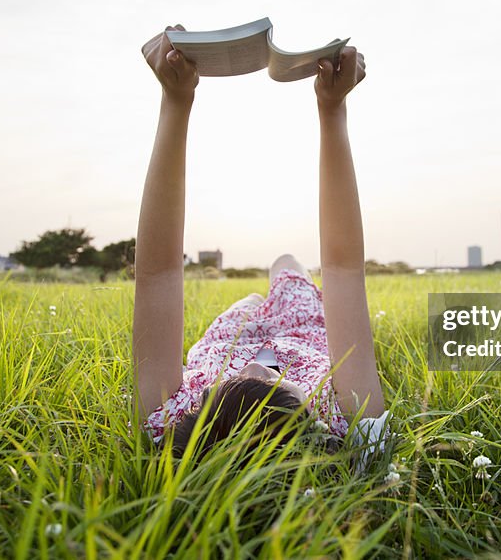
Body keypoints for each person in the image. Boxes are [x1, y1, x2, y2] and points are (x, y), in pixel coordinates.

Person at [133, 25, 388, 459]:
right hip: (305, 328)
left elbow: (157, 274)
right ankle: (272, 294)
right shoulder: (349, 424)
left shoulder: (169, 425)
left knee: (249, 305)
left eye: (236, 384)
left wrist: (175, 103)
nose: (257, 367)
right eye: (270, 381)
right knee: (286, 264)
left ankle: (255, 303)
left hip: (229, 337)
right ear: (313, 418)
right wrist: (333, 110)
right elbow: (344, 270)